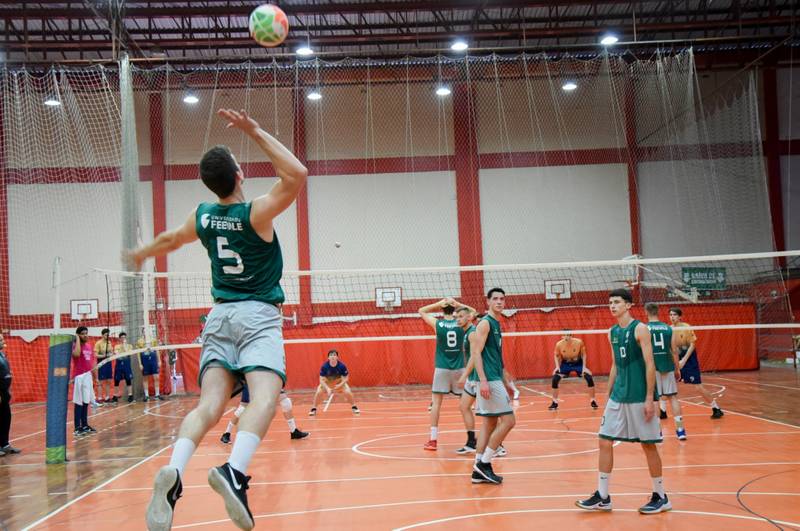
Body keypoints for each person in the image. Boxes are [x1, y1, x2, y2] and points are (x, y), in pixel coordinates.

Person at [132, 108, 307, 531]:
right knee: (264, 398)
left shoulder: (203, 215)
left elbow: (172, 239)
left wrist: (141, 254)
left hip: (219, 316)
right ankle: (234, 471)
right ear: (239, 174)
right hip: (257, 315)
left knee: (209, 405)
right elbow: (297, 174)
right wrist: (255, 129)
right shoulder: (255, 214)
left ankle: (174, 472)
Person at [576, 289, 670, 514]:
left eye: (617, 302)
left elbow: (650, 364)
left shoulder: (640, 329)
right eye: (610, 302)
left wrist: (650, 398)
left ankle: (661, 496)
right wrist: (608, 393)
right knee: (604, 440)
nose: (612, 305)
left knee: (648, 445)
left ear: (628, 305)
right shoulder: (612, 332)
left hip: (639, 395)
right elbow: (615, 365)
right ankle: (603, 496)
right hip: (618, 396)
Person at [470, 288, 516, 485]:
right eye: (495, 299)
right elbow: (476, 353)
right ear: (487, 301)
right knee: (509, 421)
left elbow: (494, 355)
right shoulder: (485, 323)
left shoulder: (496, 323)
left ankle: (477, 469)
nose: (499, 302)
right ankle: (485, 463)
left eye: (502, 299)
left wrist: (504, 376)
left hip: (494, 376)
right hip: (488, 379)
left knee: (489, 424)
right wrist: (483, 381)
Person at [418, 297, 470, 451]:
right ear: (454, 310)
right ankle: (472, 439)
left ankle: (433, 440)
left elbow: (421, 311)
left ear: (442, 309)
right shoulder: (461, 323)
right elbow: (473, 312)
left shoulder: (437, 323)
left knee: (436, 404)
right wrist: (458, 304)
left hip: (442, 368)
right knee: (466, 405)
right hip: (459, 369)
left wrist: (438, 304)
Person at [456, 309, 507, 458]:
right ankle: (471, 442)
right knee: (464, 406)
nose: (458, 319)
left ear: (469, 317)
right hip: (473, 378)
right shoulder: (467, 332)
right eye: (456, 317)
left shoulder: (473, 333)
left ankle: (498, 446)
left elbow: (475, 356)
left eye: (460, 316)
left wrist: (464, 375)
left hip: (477, 377)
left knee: (492, 415)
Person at [670, 307, 724, 419]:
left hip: (689, 360)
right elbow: (670, 348)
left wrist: (684, 360)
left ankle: (716, 408)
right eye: (670, 315)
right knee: (668, 386)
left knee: (698, 387)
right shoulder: (669, 329)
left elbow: (692, 345)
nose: (672, 317)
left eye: (674, 315)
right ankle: (662, 410)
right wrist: (676, 361)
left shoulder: (686, 327)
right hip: (676, 359)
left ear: (680, 317)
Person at [645, 303, 686, 440]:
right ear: (658, 312)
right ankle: (680, 430)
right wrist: (677, 368)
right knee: (673, 397)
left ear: (646, 312)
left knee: (656, 400)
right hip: (667, 366)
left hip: (652, 367)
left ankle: (658, 432)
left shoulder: (644, 328)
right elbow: (674, 350)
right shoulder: (668, 328)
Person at [221, 386, 309, 442]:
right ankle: (226, 433)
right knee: (242, 409)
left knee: (286, 402)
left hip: (268, 377)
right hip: (253, 378)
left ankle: (294, 432)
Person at [549, 331, 598, 410]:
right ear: (562, 336)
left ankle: (593, 400)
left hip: (578, 363)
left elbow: (584, 354)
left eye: (569, 335)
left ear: (572, 336)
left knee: (589, 378)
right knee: (555, 379)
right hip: (565, 364)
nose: (567, 337)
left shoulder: (579, 342)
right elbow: (556, 355)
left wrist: (584, 367)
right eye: (565, 335)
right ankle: (554, 402)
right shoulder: (559, 344)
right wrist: (557, 367)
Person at [309, 350, 359, 416]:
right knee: (318, 392)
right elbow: (321, 380)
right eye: (331, 355)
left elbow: (346, 378)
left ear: (337, 357)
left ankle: (354, 406)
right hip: (327, 383)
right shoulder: (324, 366)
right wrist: (327, 388)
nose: (332, 356)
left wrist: (340, 385)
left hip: (338, 383)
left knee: (348, 392)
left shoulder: (342, 366)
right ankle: (314, 408)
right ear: (328, 358)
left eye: (334, 355)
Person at [72, 326, 97, 436]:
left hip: (88, 376)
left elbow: (92, 363)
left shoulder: (89, 346)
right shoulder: (75, 345)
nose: (85, 335)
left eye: (86, 333)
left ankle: (85, 425)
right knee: (79, 401)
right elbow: (76, 354)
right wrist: (77, 339)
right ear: (78, 335)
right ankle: (77, 427)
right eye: (82, 333)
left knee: (86, 401)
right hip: (79, 376)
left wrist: (95, 377)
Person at [0, 334, 20, 455]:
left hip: (4, 392)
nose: (3, 341)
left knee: (6, 418)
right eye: (0, 340)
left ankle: (5, 444)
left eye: (2, 339)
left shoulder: (2, 355)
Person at [113, 332, 134, 403]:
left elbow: (129, 353)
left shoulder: (130, 346)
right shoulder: (116, 346)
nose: (123, 339)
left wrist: (124, 346)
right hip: (119, 364)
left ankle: (130, 396)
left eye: (124, 337)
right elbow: (117, 354)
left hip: (126, 364)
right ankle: (115, 396)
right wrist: (122, 353)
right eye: (122, 338)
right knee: (117, 380)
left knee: (128, 380)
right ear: (119, 339)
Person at [94, 328, 114, 403]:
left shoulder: (109, 342)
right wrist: (103, 355)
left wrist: (111, 354)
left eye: (108, 335)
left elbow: (112, 352)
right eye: (106, 335)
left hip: (108, 362)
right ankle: (99, 397)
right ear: (102, 335)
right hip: (101, 363)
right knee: (100, 381)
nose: (107, 336)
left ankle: (107, 397)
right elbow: (95, 354)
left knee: (108, 380)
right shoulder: (98, 343)